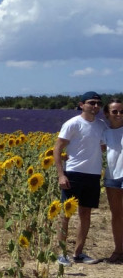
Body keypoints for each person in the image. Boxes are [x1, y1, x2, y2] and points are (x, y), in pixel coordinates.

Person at [54, 92, 106, 265]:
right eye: (92, 103)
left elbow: (103, 147)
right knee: (66, 214)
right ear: (81, 104)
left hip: (93, 174)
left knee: (86, 213)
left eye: (98, 103)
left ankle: (79, 253)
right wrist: (61, 174)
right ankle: (62, 254)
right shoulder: (72, 124)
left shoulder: (101, 125)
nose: (96, 106)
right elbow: (57, 148)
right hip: (74, 173)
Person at [101, 99, 123, 264]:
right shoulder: (105, 133)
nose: (119, 115)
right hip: (112, 176)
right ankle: (118, 250)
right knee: (116, 215)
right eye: (115, 112)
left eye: (121, 111)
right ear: (107, 114)